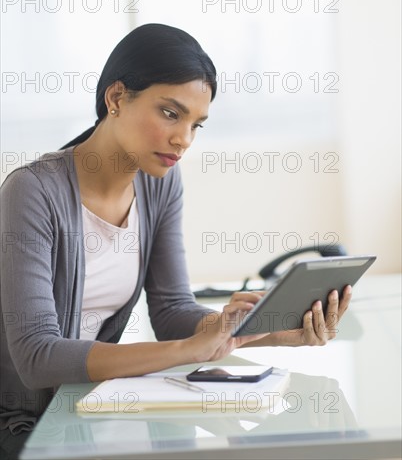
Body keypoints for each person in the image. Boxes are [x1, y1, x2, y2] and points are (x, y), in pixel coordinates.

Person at [0, 23, 352, 458]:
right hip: (28, 425)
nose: (183, 139)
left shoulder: (159, 184)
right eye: (170, 113)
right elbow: (38, 358)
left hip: (92, 408)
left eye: (196, 124)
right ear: (115, 98)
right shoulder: (32, 191)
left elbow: (171, 310)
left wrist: (269, 330)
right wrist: (184, 350)